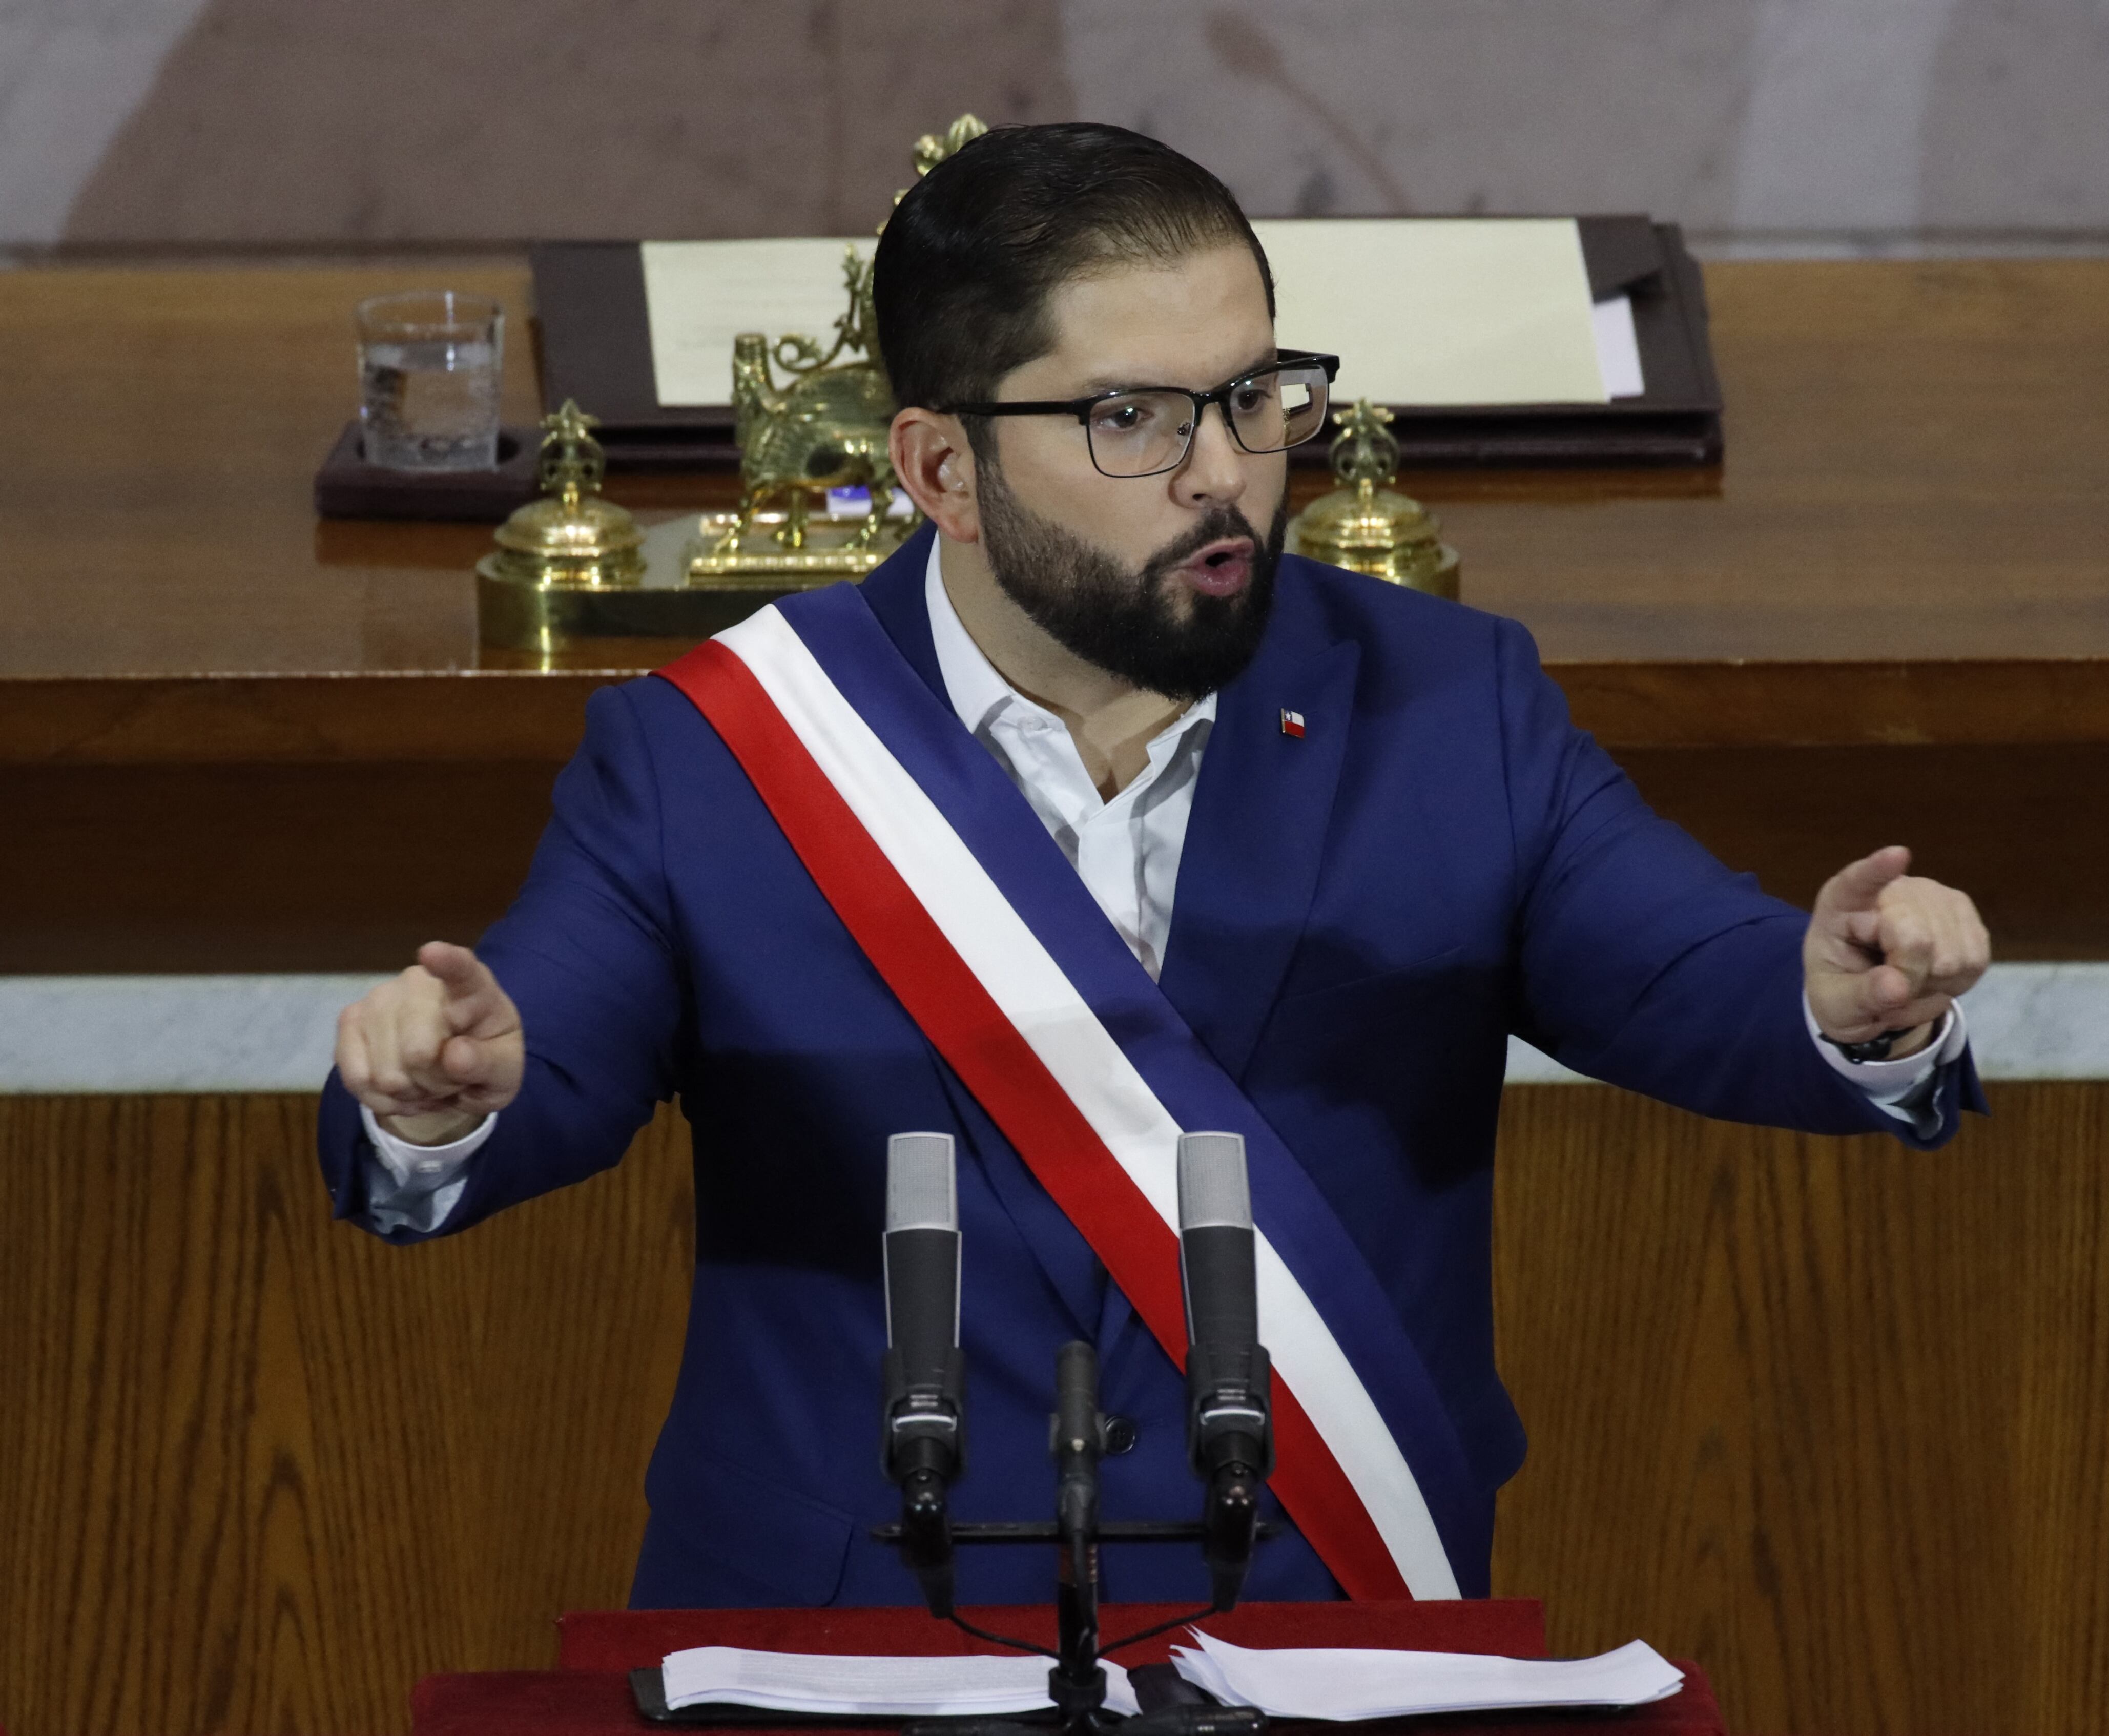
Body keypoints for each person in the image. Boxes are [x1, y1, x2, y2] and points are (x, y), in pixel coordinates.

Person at [321, 122, 1990, 1610]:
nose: (1225, 471)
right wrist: (440, 1101)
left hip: (1325, 1605)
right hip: (845, 1624)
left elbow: (1697, 972)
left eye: (1256, 395)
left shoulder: (1443, 705)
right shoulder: (719, 752)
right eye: (1131, 414)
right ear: (940, 471)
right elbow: (548, 1052)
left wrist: (1846, 1000)